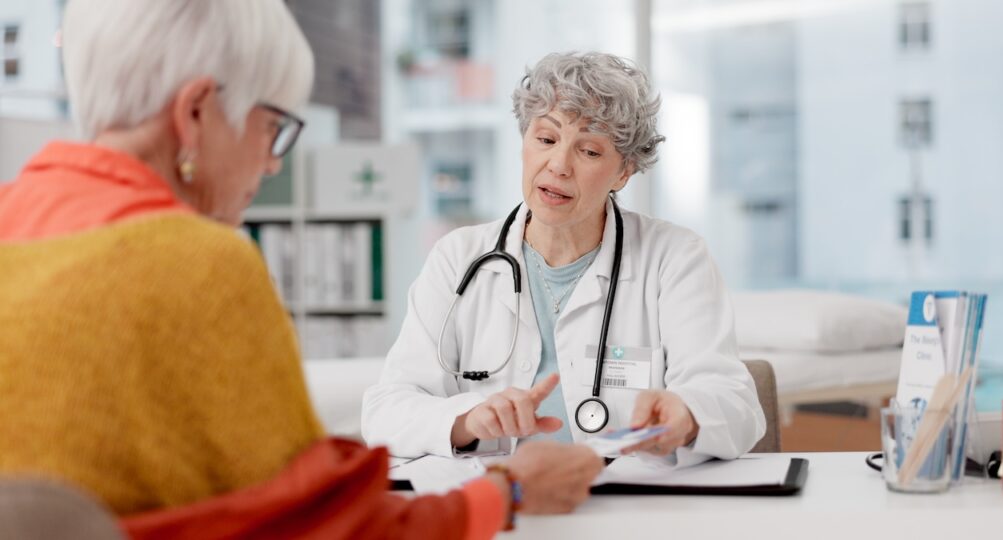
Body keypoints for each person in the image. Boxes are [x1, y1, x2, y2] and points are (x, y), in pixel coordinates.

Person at [0, 1, 601, 537]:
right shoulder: (196, 261)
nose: (268, 164)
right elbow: (325, 525)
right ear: (196, 113)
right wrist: (511, 491)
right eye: (271, 129)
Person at [363, 51, 766, 464]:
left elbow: (736, 404)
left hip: (630, 508)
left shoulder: (674, 258)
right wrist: (468, 419)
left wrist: (689, 416)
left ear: (623, 172)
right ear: (524, 141)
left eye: (589, 151)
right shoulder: (459, 257)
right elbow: (387, 410)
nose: (558, 165)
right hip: (500, 503)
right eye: (546, 139)